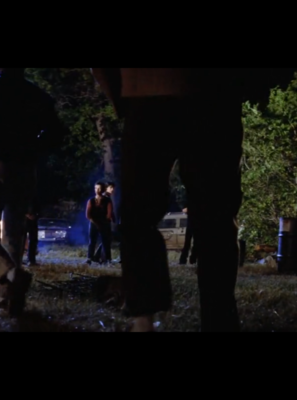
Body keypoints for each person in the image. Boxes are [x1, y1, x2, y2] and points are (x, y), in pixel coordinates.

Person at [90, 67, 258, 332]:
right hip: (213, 94)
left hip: (148, 93)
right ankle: (219, 319)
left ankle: (144, 317)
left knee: (138, 214)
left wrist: (124, 97)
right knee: (216, 219)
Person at [0, 67, 68, 316]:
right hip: (25, 168)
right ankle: (7, 297)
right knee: (13, 233)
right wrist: (33, 150)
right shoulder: (37, 94)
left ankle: (11, 274)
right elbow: (56, 132)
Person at [85, 181, 113, 266]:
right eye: (96, 188)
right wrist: (95, 223)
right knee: (92, 241)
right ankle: (89, 258)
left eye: (99, 188)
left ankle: (108, 260)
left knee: (105, 242)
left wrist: (103, 223)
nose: (97, 190)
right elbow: (88, 215)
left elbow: (109, 214)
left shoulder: (107, 200)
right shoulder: (91, 200)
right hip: (93, 223)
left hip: (104, 224)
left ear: (103, 189)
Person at [93, 181, 116, 263]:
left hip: (105, 221)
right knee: (106, 240)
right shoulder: (104, 197)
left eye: (113, 188)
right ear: (106, 188)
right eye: (111, 188)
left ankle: (98, 257)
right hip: (104, 222)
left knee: (106, 240)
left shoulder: (107, 197)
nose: (112, 190)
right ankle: (105, 259)